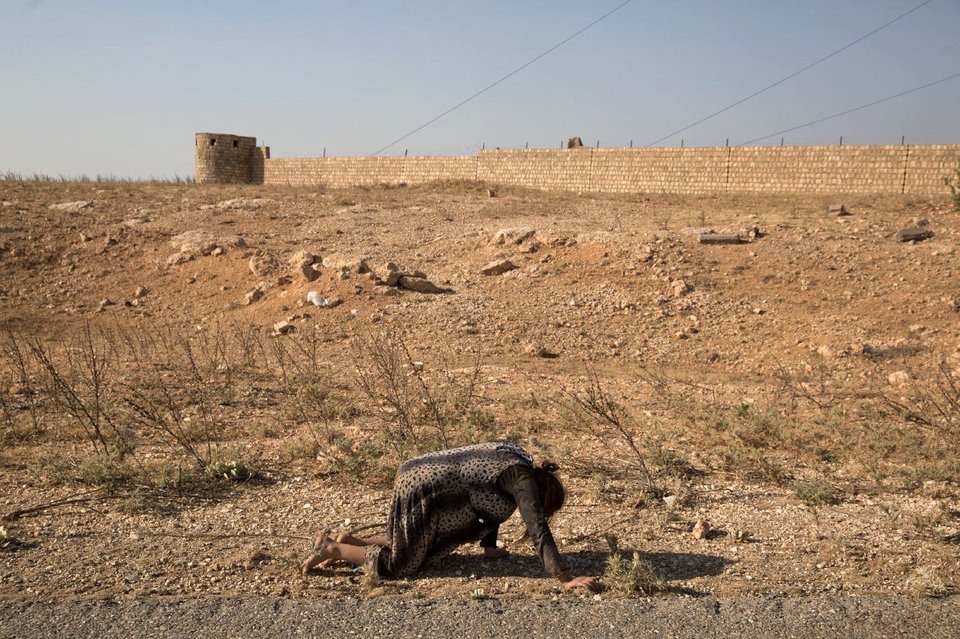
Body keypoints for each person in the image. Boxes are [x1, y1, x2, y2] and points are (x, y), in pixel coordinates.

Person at [302, 442, 600, 591]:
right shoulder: (523, 482)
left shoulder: (519, 459)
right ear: (542, 494)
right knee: (401, 565)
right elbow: (537, 528)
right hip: (422, 486)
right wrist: (564, 578)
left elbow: (489, 499)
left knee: (421, 545)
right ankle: (333, 548)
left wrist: (490, 549)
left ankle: (353, 542)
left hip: (420, 472)